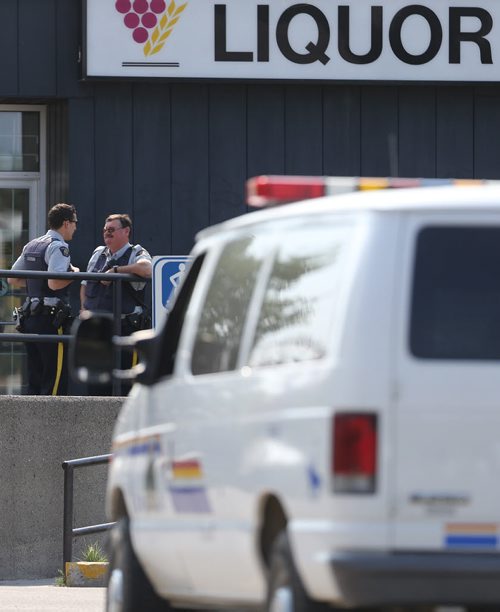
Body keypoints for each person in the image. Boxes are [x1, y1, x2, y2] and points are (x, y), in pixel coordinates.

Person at [8, 203, 79, 395]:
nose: (75, 227)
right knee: (54, 379)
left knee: (35, 377)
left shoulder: (33, 244)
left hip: (30, 317)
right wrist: (74, 273)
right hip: (50, 320)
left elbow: (13, 278)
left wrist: (37, 282)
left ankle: (30, 423)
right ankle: (54, 423)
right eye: (74, 222)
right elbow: (55, 283)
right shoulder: (58, 247)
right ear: (66, 223)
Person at [80, 213, 152, 394]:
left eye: (112, 230)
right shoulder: (98, 254)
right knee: (96, 384)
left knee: (128, 386)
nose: (107, 234)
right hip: (98, 329)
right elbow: (85, 285)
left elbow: (147, 269)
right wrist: (84, 309)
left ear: (126, 231)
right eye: (105, 230)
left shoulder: (136, 253)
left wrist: (117, 271)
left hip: (125, 329)